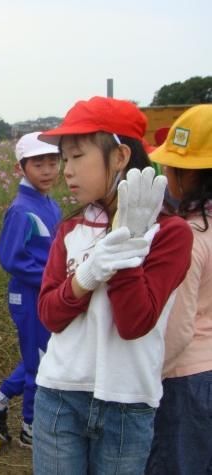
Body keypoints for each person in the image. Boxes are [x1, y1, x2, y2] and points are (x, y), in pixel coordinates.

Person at [32, 97, 193, 474]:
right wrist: (87, 276)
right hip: (60, 394)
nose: (66, 170)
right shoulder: (71, 229)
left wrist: (127, 244)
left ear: (119, 156)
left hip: (128, 402)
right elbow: (49, 316)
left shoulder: (170, 233)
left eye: (76, 156)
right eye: (64, 159)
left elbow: (134, 322)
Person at [0, 132, 61, 448]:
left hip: (48, 292)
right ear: (20, 168)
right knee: (40, 359)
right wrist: (53, 280)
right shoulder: (22, 209)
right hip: (29, 296)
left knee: (45, 353)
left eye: (53, 162)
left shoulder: (49, 203)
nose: (49, 170)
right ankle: (30, 427)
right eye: (39, 163)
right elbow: (10, 258)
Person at [145, 105, 212, 475]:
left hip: (187, 377)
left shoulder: (187, 234)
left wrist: (150, 377)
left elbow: (178, 328)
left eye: (170, 167)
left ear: (189, 175)